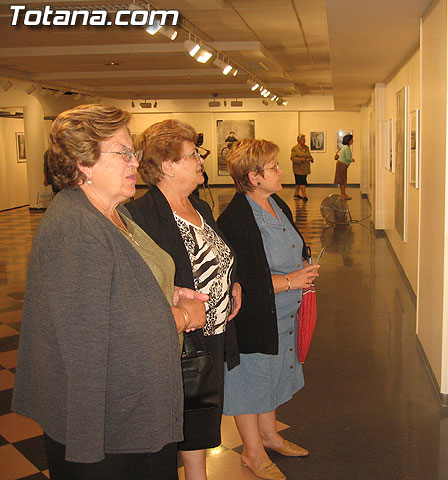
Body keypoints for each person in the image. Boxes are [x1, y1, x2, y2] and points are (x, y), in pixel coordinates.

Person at [12, 104, 207, 480]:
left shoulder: (116, 213)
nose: (135, 161)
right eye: (123, 152)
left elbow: (125, 286)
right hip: (110, 427)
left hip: (134, 406)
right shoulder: (78, 230)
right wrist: (184, 316)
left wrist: (168, 291)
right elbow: (91, 336)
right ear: (83, 163)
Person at [125, 119, 242, 480]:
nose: (201, 160)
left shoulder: (199, 207)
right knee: (186, 417)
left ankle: (198, 475)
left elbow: (218, 255)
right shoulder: (142, 216)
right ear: (168, 166)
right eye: (193, 155)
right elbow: (144, 285)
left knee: (202, 417)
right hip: (182, 340)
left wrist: (232, 283)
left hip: (214, 333)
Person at [218, 139, 320, 480]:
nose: (281, 171)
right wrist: (292, 280)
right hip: (255, 317)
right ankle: (252, 452)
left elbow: (290, 245)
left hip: (283, 315)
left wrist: (303, 267)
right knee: (250, 383)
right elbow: (243, 280)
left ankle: (270, 434)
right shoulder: (237, 218)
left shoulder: (276, 203)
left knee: (273, 376)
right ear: (254, 176)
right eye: (274, 167)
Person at [290, 133, 313, 201]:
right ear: (299, 141)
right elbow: (292, 158)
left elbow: (309, 155)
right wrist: (301, 160)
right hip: (298, 169)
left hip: (305, 169)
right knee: (302, 182)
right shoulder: (294, 149)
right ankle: (304, 196)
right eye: (303, 140)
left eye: (304, 139)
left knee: (298, 182)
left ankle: (296, 194)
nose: (304, 141)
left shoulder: (306, 147)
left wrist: (311, 159)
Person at [334, 133, 355, 199]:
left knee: (342, 180)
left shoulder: (344, 147)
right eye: (352, 140)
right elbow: (348, 158)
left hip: (341, 164)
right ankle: (343, 194)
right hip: (342, 165)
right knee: (342, 180)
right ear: (349, 141)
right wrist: (353, 159)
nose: (353, 141)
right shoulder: (346, 148)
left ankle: (343, 193)